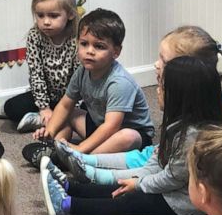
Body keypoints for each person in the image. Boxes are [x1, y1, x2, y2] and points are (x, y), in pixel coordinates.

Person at [48, 25, 222, 193]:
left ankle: (85, 164)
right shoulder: (178, 93)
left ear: (186, 70)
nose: (155, 64)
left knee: (150, 162)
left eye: (164, 60)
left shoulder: (215, 106)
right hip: (175, 150)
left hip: (197, 161)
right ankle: (81, 160)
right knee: (146, 156)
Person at [39, 56, 222, 215]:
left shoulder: (191, 137)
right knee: (123, 186)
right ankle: (69, 186)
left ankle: (66, 205)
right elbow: (156, 164)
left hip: (181, 200)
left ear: (181, 97)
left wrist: (139, 185)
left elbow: (170, 179)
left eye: (161, 86)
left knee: (128, 200)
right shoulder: (178, 126)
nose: (157, 91)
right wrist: (137, 179)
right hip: (170, 186)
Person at [27, 8, 154, 160]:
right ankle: (55, 148)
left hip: (129, 134)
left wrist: (81, 147)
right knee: (69, 113)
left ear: (116, 52)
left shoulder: (119, 82)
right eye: (84, 44)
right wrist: (50, 130)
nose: (90, 51)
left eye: (99, 46)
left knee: (128, 136)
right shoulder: (82, 71)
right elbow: (65, 105)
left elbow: (111, 126)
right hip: (99, 125)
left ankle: (83, 158)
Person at [0, 0, 79, 133]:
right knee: (12, 107)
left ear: (70, 14)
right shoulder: (35, 36)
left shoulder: (77, 38)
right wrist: (44, 107)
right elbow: (36, 74)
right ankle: (42, 116)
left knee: (89, 114)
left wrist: (68, 105)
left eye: (53, 16)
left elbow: (78, 79)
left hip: (71, 99)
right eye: (40, 15)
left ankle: (44, 121)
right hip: (44, 96)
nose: (46, 22)